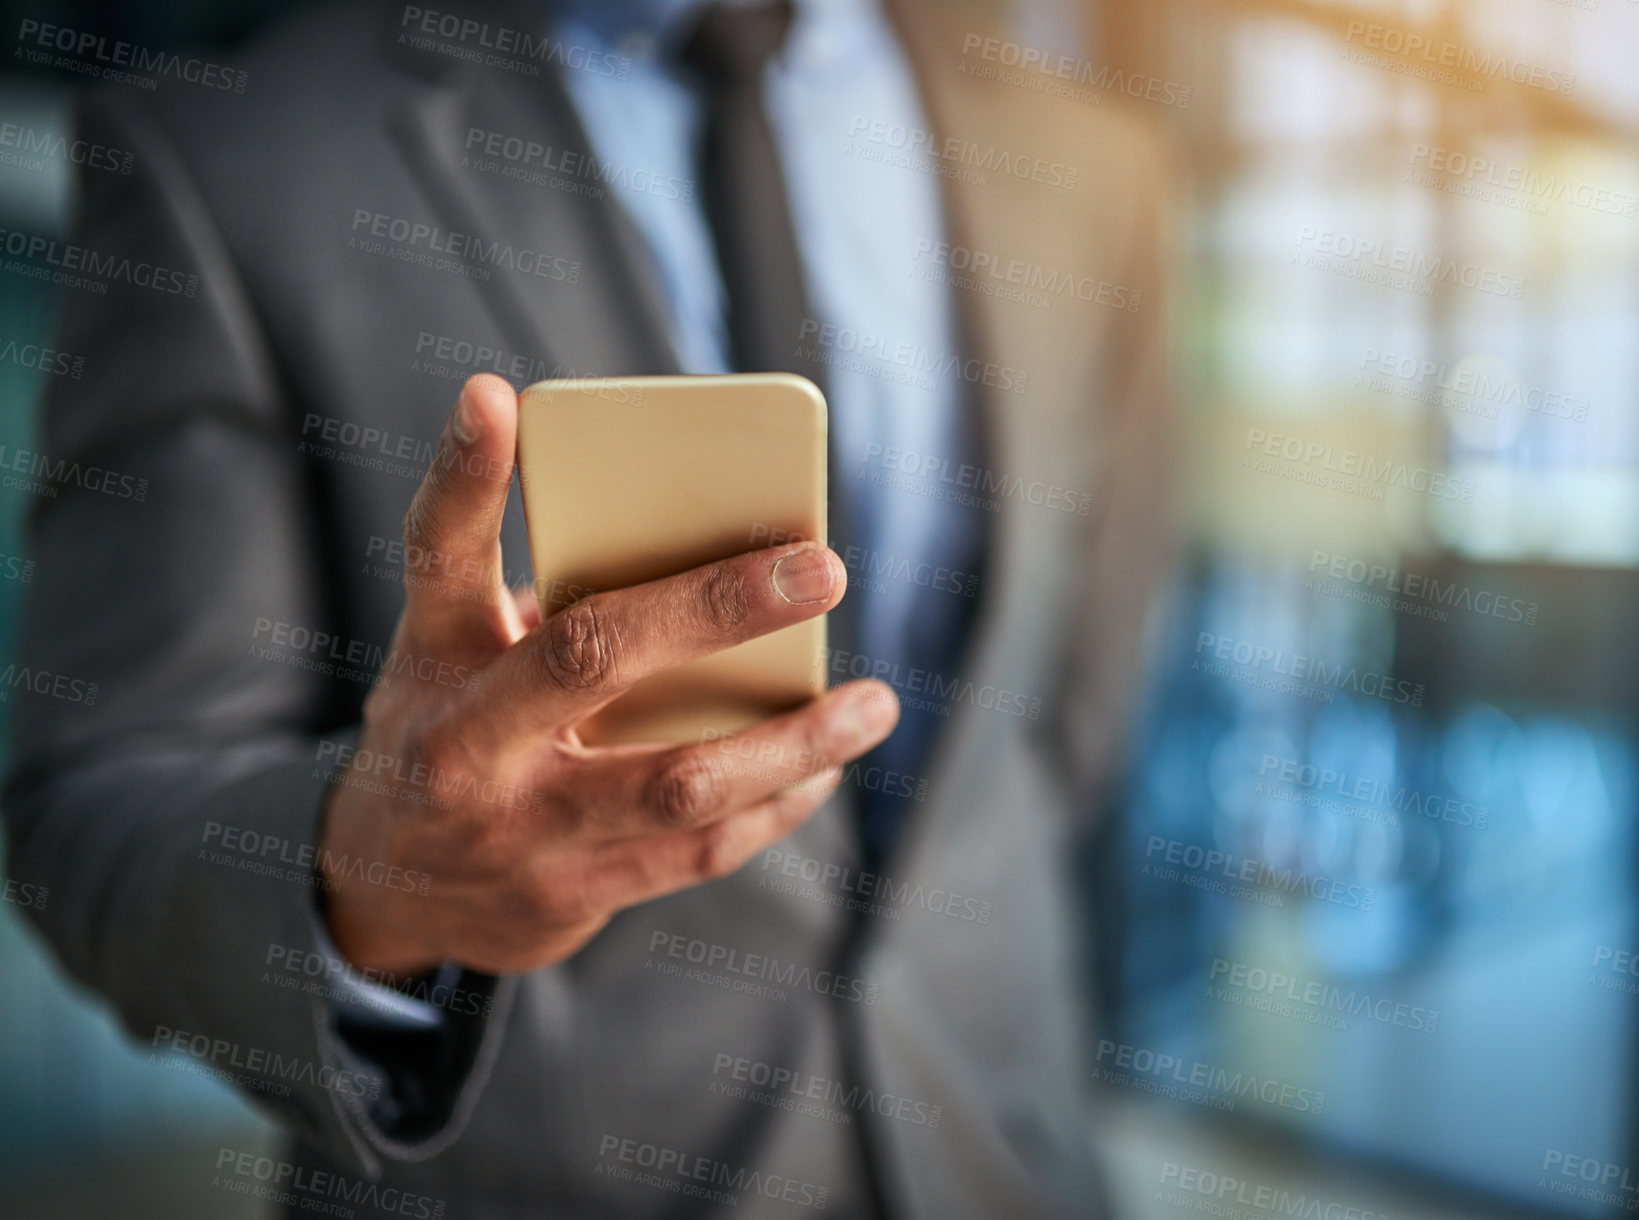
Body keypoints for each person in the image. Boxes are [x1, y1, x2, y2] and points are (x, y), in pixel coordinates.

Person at [2, 0, 1175, 1214]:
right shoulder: (235, 158)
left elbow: (1064, 725)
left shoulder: (1088, 162)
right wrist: (376, 885)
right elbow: (99, 801)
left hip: (1004, 1162)